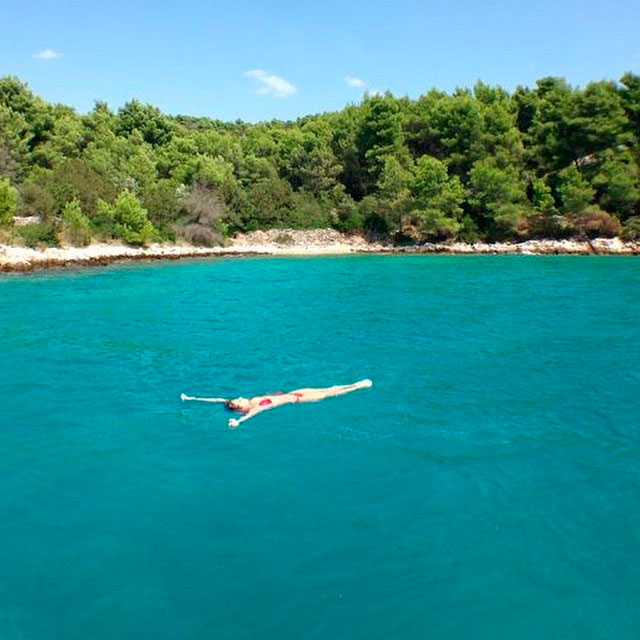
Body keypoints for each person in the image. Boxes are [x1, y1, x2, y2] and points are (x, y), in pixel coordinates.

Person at [180, 379, 373, 428]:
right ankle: (357, 387)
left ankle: (354, 384)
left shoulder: (251, 400)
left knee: (327, 388)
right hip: (299, 399)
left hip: (295, 392)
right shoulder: (255, 406)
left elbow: (219, 399)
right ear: (240, 408)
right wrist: (239, 422)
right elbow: (253, 414)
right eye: (238, 401)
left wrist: (193, 398)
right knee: (330, 393)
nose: (239, 397)